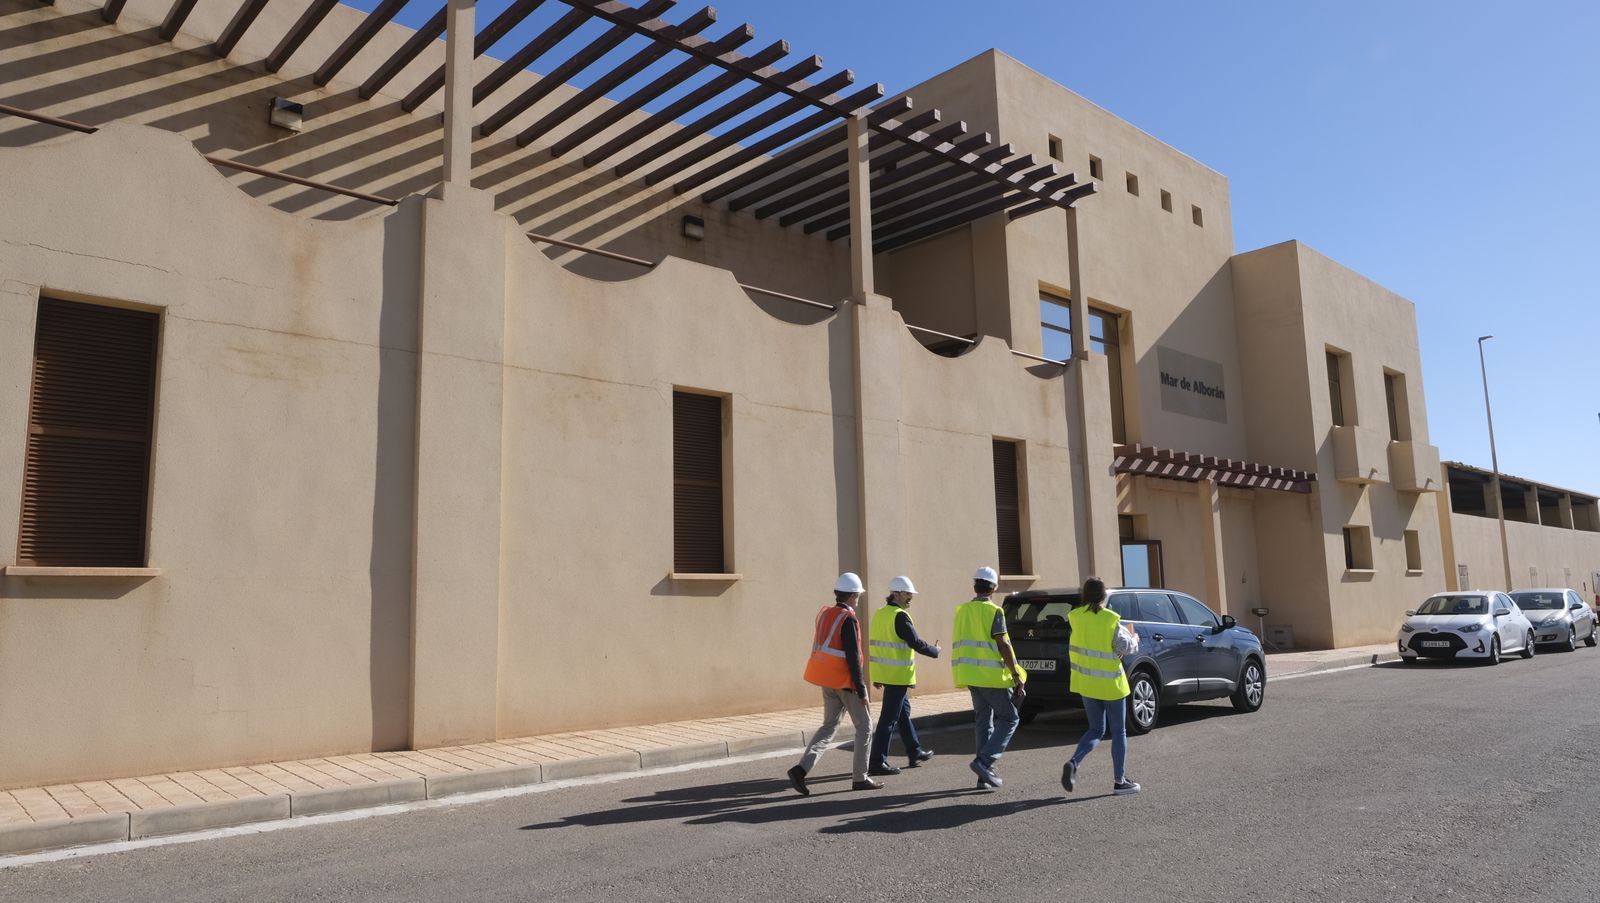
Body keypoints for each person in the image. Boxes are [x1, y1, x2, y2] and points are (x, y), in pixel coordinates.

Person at [787, 572, 884, 795]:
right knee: (865, 728)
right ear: (852, 596)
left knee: (829, 726)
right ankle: (860, 778)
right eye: (858, 595)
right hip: (846, 682)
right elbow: (853, 656)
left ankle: (800, 770)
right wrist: (861, 689)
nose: (858, 599)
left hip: (827, 680)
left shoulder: (827, 614)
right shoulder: (848, 618)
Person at [1061, 576, 1141, 796]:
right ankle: (1120, 782)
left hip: (1087, 683)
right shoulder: (1110, 619)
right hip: (1111, 684)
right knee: (1119, 731)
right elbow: (1123, 647)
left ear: (1084, 595)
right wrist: (1134, 638)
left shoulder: (1075, 617)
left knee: (1095, 729)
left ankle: (1074, 762)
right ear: (1104, 596)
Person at [952, 566, 1026, 789]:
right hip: (992, 677)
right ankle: (984, 762)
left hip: (970, 675)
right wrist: (1016, 674)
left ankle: (982, 777)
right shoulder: (995, 611)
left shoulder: (962, 610)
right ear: (994, 588)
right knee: (1010, 718)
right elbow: (1003, 643)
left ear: (975, 586)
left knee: (984, 722)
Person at [866, 575, 941, 776]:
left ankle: (914, 751)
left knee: (903, 713)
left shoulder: (881, 614)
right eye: (908, 594)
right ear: (897, 594)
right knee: (888, 720)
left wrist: (878, 675)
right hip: (897, 676)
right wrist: (934, 651)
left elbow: (879, 645)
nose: (910, 598)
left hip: (886, 673)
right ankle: (876, 762)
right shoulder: (899, 616)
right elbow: (915, 642)